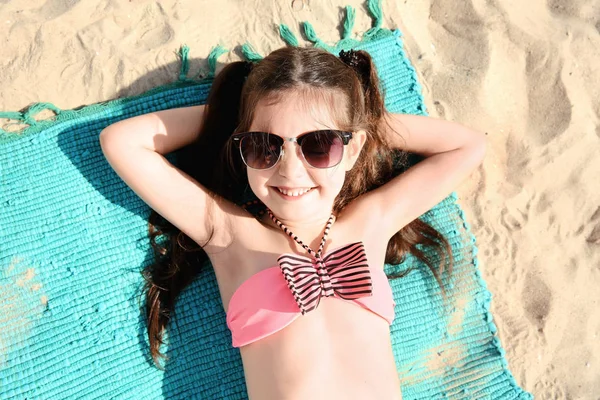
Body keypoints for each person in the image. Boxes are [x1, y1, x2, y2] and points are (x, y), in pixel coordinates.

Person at [99, 46, 486, 400]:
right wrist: (230, 119)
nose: (290, 170)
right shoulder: (230, 233)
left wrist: (358, 122)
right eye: (264, 145)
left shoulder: (371, 221)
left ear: (353, 149)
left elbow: (466, 146)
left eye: (319, 144)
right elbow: (122, 142)